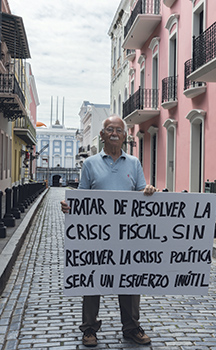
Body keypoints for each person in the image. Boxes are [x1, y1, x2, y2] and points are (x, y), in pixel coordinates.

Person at [61, 115, 158, 347]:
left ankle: (131, 327)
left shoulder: (134, 163)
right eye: (109, 129)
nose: (114, 133)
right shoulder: (90, 164)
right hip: (97, 236)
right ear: (102, 135)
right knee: (92, 281)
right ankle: (89, 329)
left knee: (130, 281)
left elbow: (141, 192)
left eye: (119, 130)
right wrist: (70, 207)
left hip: (127, 236)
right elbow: (82, 196)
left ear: (125, 136)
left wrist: (150, 190)